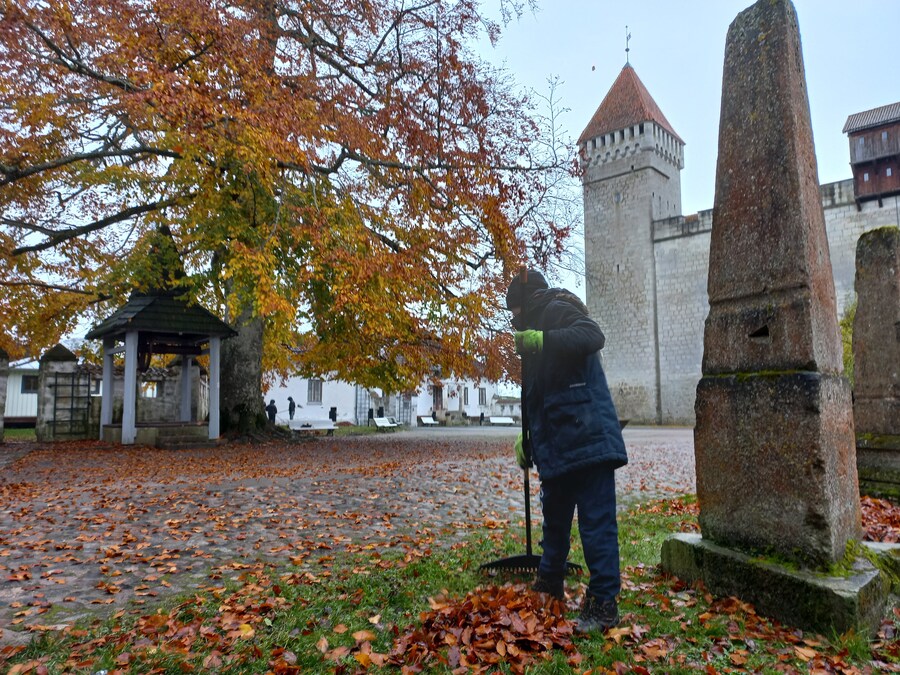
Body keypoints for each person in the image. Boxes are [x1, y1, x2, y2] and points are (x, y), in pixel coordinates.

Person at [506, 269, 628, 634]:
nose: (513, 320)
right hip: (560, 441)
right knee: (555, 517)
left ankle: (604, 604)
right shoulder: (533, 336)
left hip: (587, 436)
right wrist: (528, 438)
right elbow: (539, 394)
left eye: (514, 312)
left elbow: (593, 335)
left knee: (596, 523)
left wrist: (542, 339)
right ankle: (550, 580)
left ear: (527, 302)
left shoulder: (557, 309)